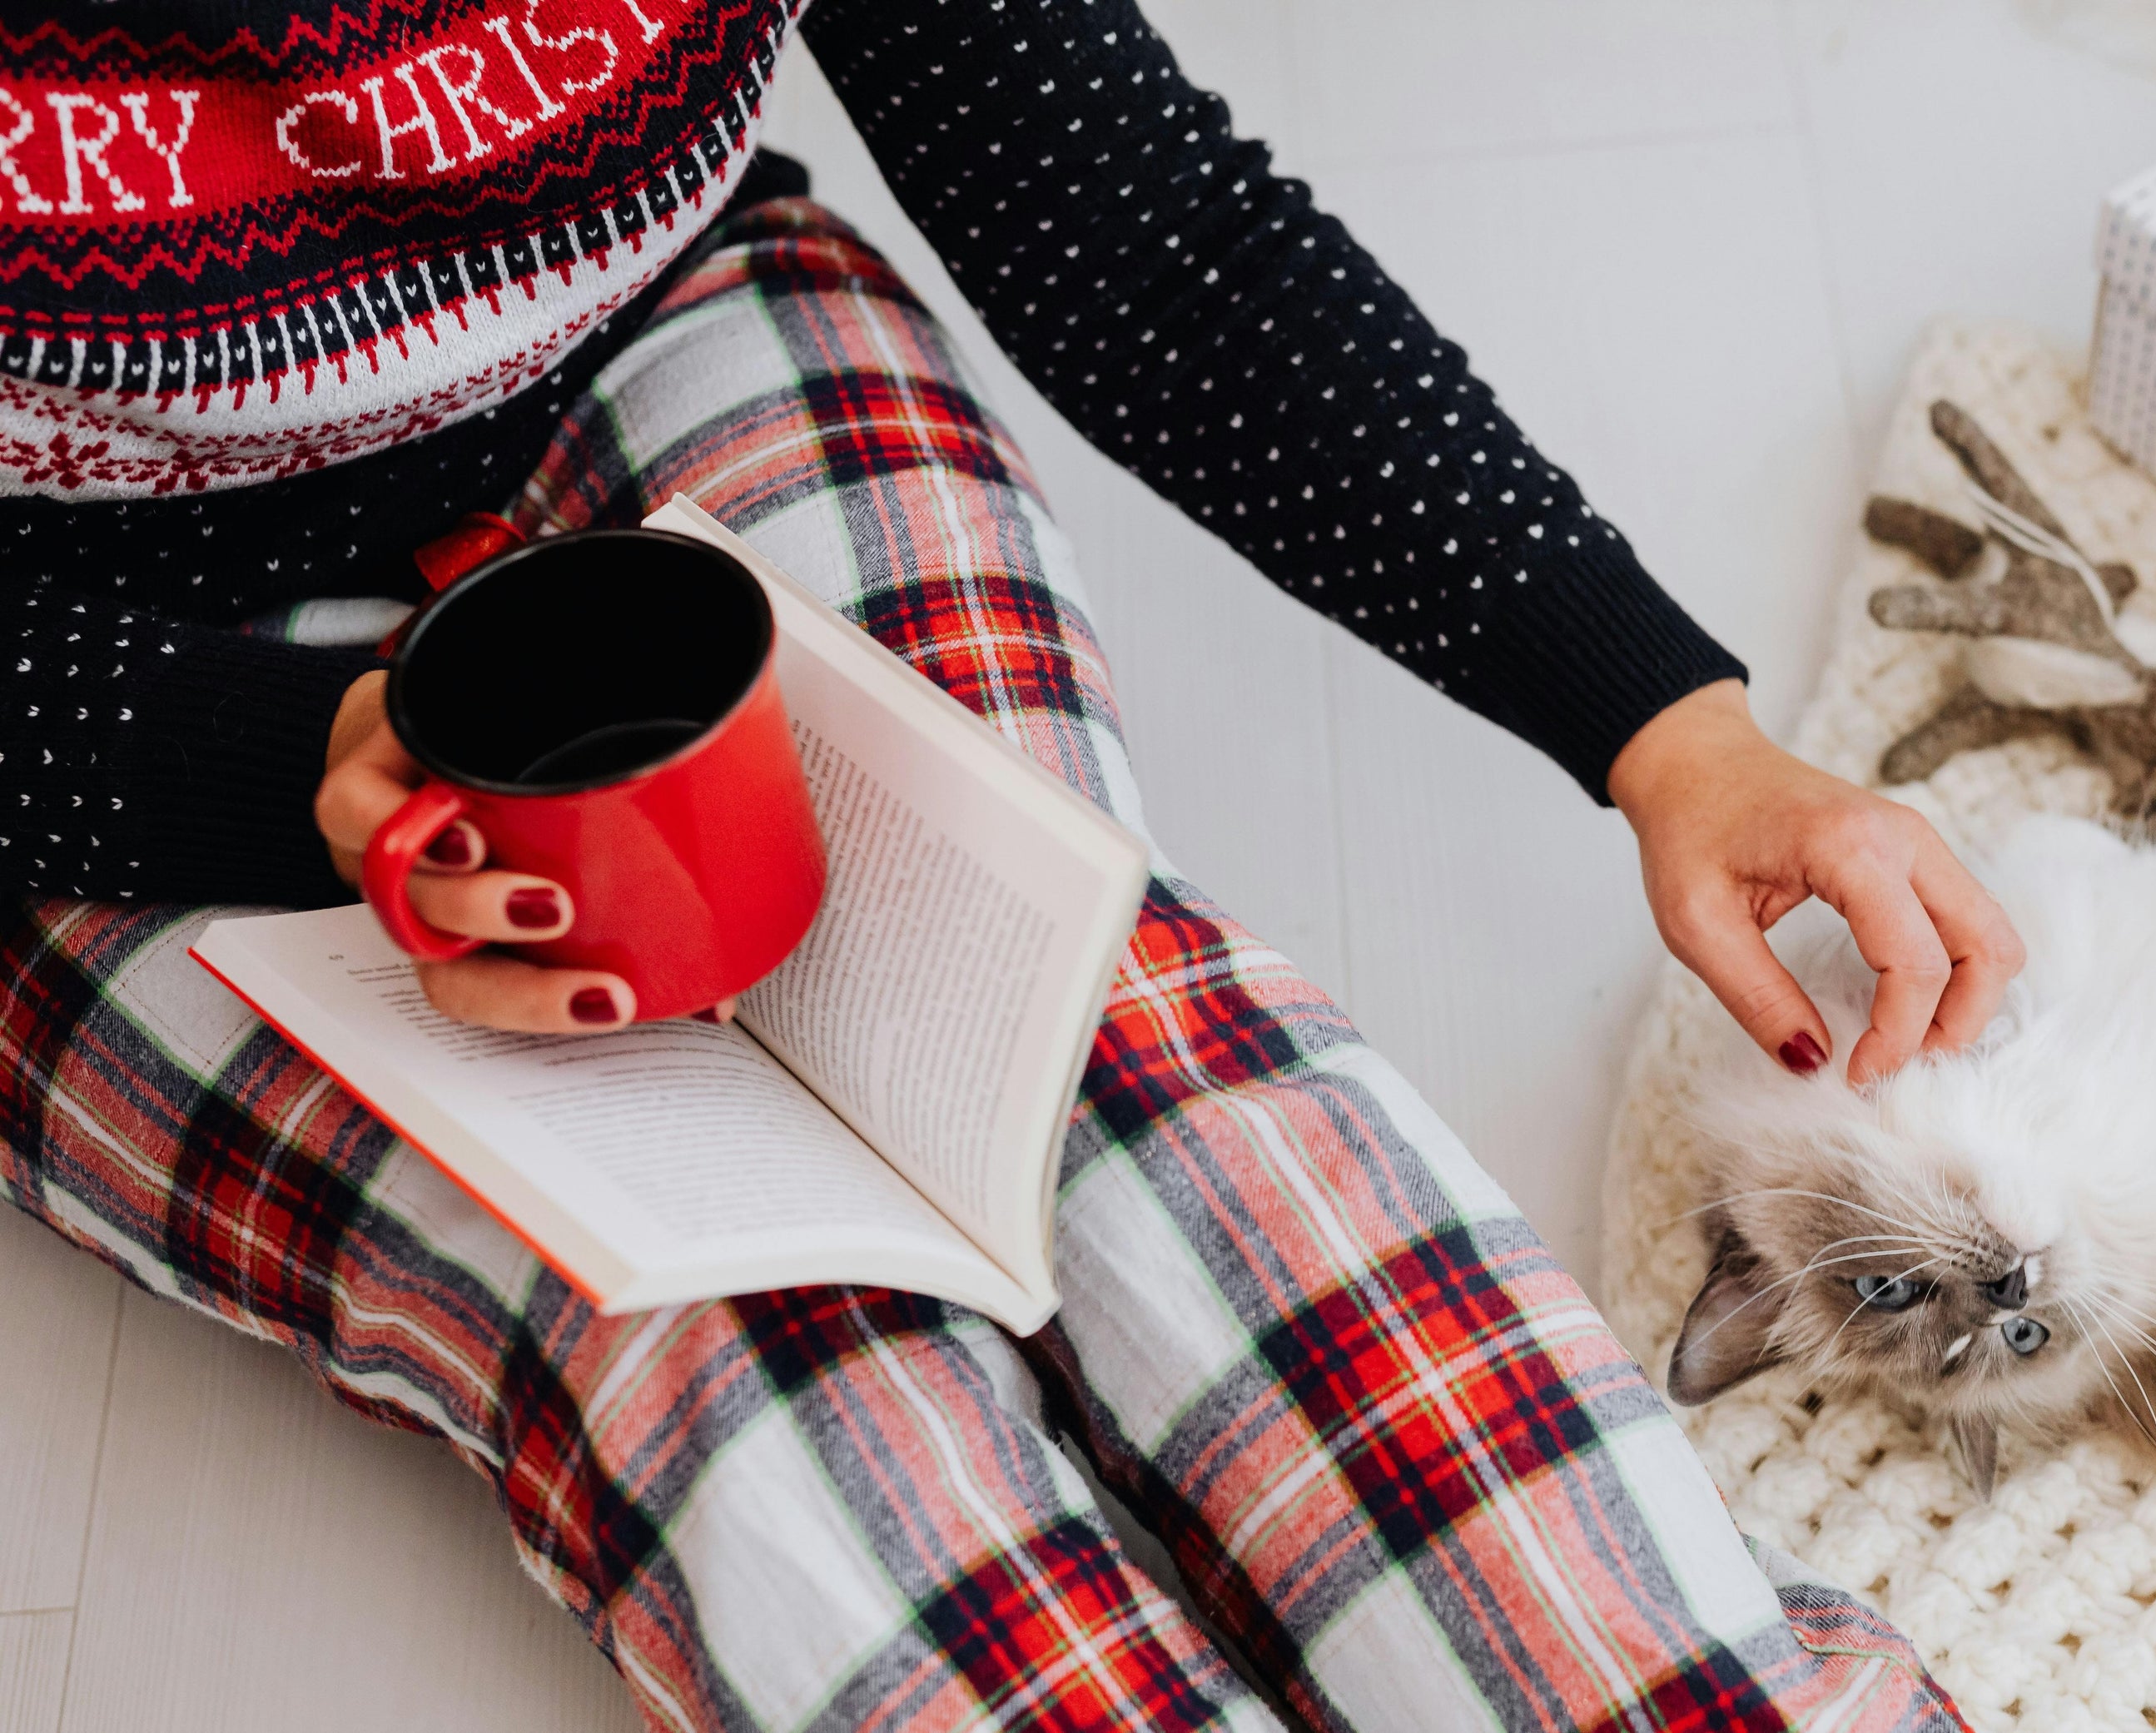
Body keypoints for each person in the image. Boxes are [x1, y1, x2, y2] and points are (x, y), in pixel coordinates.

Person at [0, 2, 2012, 1726]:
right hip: (88, 697)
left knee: (1101, 1048)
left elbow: (1144, 232)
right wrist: (292, 781)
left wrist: (1670, 728)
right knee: (725, 1339)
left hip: (651, 334)